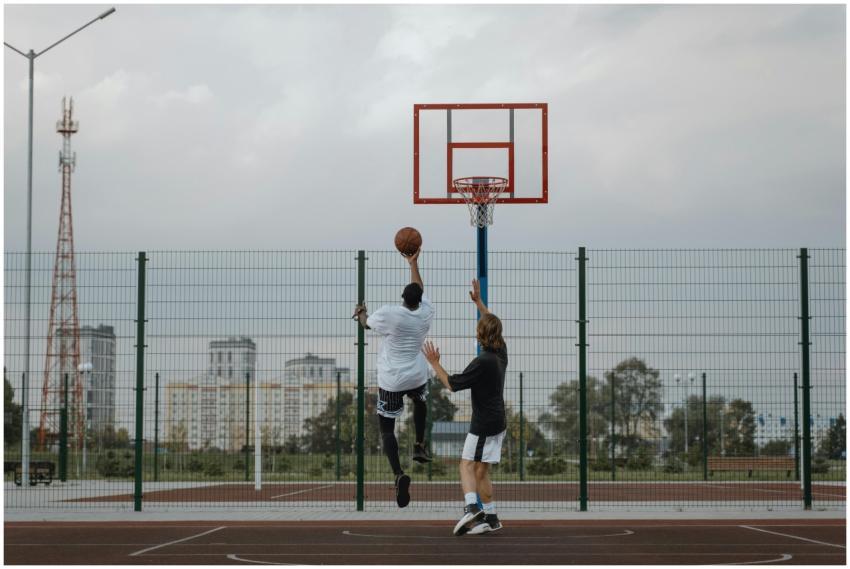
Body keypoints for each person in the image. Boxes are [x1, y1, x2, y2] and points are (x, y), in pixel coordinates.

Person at [423, 278, 506, 535]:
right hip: (499, 421)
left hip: (484, 423)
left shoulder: (481, 363)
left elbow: (451, 384)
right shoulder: (501, 353)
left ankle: (472, 508)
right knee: (481, 470)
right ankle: (491, 519)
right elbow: (493, 322)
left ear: (480, 335)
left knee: (466, 464)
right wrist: (480, 304)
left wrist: (434, 362)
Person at [353, 248, 434, 508]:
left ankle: (399, 474)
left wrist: (361, 313)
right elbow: (418, 287)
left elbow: (366, 324)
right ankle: (420, 444)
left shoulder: (390, 314)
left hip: (391, 380)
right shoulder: (426, 313)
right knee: (421, 402)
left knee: (387, 428)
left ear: (402, 297)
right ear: (420, 300)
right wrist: (414, 263)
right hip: (416, 374)